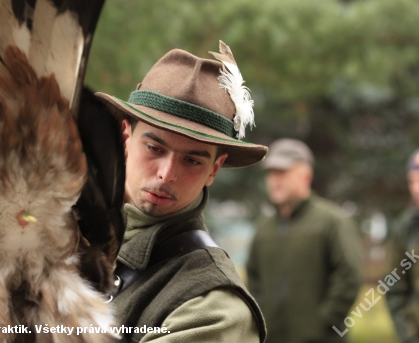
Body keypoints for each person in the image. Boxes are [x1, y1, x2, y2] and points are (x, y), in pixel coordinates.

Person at [95, 42, 268, 342]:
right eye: (154, 148)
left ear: (214, 169)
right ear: (125, 139)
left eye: (191, 160)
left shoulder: (215, 310)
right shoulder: (61, 235)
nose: (166, 174)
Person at [246, 138, 363, 343]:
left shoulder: (332, 221)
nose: (275, 180)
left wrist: (323, 323)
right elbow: (253, 278)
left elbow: (349, 276)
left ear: (306, 176)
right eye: (271, 173)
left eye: (282, 172)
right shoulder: (263, 227)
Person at [386, 144, 419, 343]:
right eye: (412, 181)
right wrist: (409, 336)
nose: (418, 189)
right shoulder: (405, 228)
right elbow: (393, 286)